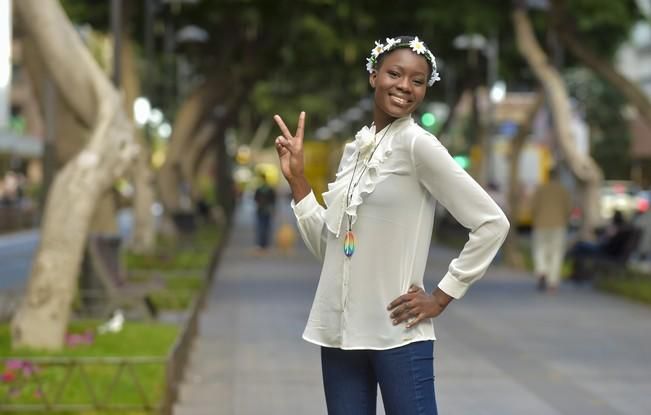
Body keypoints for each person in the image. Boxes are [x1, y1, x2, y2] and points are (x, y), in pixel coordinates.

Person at [273, 35, 509, 415]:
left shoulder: (418, 145)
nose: (404, 86)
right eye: (395, 74)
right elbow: (331, 248)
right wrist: (298, 181)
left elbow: (492, 223)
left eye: (417, 81)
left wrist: (442, 295)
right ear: (373, 75)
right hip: (339, 336)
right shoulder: (357, 149)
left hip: (397, 335)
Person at [530, 168, 572, 292]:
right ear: (558, 177)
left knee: (540, 249)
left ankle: (542, 270)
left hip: (540, 224)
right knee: (556, 253)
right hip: (559, 225)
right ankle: (552, 281)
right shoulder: (563, 191)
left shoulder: (540, 189)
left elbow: (533, 207)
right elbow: (568, 209)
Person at [253, 172, 276, 252]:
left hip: (261, 210)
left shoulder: (259, 189)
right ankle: (265, 244)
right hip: (267, 210)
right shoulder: (270, 189)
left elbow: (255, 199)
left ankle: (261, 244)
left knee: (261, 227)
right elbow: (273, 201)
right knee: (266, 227)